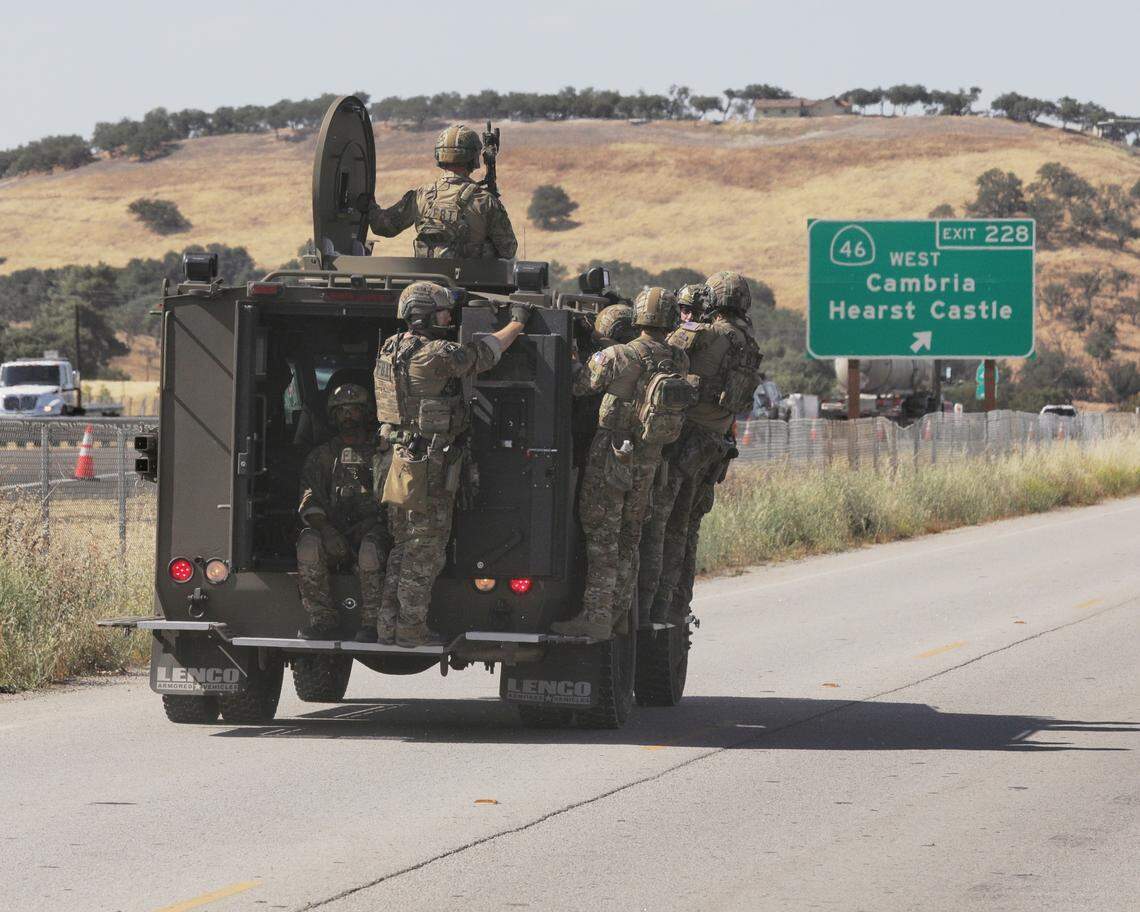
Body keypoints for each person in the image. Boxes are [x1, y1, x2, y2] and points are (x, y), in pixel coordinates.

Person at [375, 281, 532, 646]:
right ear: (425, 314)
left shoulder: (389, 349)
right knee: (425, 549)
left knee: (402, 546)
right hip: (426, 464)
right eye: (443, 310)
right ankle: (411, 629)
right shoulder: (435, 354)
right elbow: (485, 354)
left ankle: (388, 626)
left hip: (396, 461)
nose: (448, 316)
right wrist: (517, 323)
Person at [552, 287, 694, 640]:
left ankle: (596, 617)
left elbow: (578, 385)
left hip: (613, 454)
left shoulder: (619, 356)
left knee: (602, 535)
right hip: (649, 459)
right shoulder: (678, 360)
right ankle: (617, 613)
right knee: (630, 536)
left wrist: (582, 349)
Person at [638, 271, 762, 624]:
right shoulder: (747, 343)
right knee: (685, 528)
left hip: (685, 441)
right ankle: (675, 605)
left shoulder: (705, 335)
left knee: (660, 524)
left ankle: (651, 608)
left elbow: (660, 349)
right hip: (714, 445)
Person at [296, 383, 391, 640]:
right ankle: (323, 621)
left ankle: (371, 624)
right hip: (335, 532)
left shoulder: (383, 452)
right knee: (308, 544)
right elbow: (309, 500)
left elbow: (396, 501)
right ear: (333, 416)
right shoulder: (322, 456)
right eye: (341, 411)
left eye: (354, 410)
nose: (348, 416)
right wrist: (326, 532)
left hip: (374, 532)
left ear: (366, 413)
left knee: (370, 552)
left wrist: (373, 523)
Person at [365, 125, 518, 259]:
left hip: (426, 282)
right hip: (470, 284)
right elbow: (508, 250)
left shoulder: (421, 195)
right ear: (473, 158)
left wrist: (369, 206)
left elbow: (383, 227)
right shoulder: (485, 201)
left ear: (439, 155)